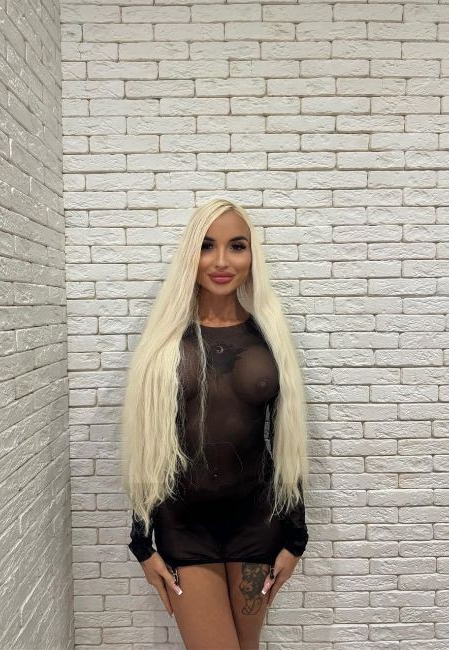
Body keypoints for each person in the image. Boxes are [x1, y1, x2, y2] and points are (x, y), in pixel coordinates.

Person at [120, 198, 309, 650]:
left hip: (258, 526)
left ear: (252, 255)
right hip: (185, 528)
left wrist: (296, 537)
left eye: (236, 246)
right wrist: (141, 543)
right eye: (207, 246)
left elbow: (288, 440)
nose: (222, 261)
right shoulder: (165, 341)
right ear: (191, 253)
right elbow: (145, 444)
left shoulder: (271, 336)